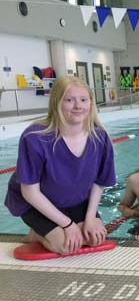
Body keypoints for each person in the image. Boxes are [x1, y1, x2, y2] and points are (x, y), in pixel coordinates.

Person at [4, 76, 116, 254]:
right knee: (66, 246)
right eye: (70, 100)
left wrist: (90, 217)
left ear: (91, 103)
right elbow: (30, 193)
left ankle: (51, 230)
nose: (78, 106)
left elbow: (100, 181)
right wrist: (68, 225)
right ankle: (38, 233)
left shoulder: (99, 138)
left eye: (83, 100)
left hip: (75, 202)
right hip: (36, 204)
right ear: (56, 102)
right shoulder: (35, 138)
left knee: (93, 239)